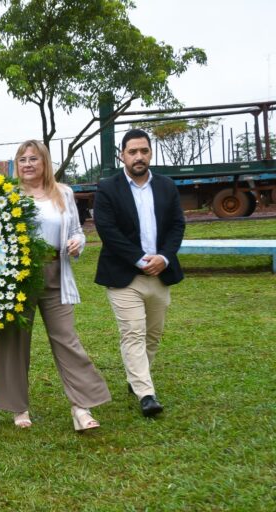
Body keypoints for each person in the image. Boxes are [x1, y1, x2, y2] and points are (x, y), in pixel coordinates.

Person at [0, 140, 111, 432]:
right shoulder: (8, 196)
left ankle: (81, 407)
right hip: (19, 277)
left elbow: (77, 231)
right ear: (16, 165)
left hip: (57, 274)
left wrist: (77, 242)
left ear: (45, 162)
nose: (28, 164)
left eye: (34, 158)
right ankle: (18, 407)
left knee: (67, 339)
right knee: (14, 341)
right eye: (22, 160)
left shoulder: (64, 193)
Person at [94, 128, 185, 418]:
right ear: (122, 155)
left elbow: (176, 226)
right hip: (124, 276)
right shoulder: (108, 187)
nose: (138, 156)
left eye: (143, 151)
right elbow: (107, 230)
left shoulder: (167, 186)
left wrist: (165, 258)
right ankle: (146, 394)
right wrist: (138, 259)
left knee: (153, 335)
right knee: (133, 332)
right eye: (132, 151)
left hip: (160, 274)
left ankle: (136, 379)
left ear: (150, 153)